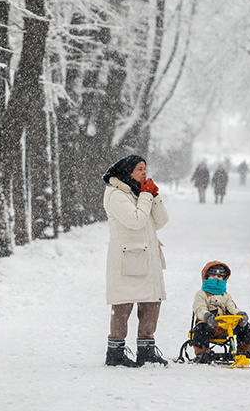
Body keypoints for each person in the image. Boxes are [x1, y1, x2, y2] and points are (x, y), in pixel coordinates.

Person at [102, 154, 170, 367]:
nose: (144, 173)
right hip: (127, 258)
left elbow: (161, 221)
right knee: (123, 304)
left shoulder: (139, 192)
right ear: (127, 171)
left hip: (147, 256)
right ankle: (115, 352)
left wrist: (154, 196)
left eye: (145, 168)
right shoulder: (115, 195)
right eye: (140, 169)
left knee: (151, 302)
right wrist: (146, 196)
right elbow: (136, 220)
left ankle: (146, 350)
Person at [190, 261, 250, 364]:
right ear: (206, 277)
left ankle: (244, 352)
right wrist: (207, 316)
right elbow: (199, 309)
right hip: (210, 325)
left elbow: (232, 308)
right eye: (212, 275)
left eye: (219, 276)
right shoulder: (201, 294)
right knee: (201, 328)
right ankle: (202, 353)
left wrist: (240, 315)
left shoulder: (226, 296)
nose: (216, 278)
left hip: (226, 326)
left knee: (246, 328)